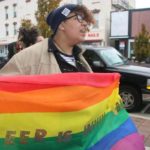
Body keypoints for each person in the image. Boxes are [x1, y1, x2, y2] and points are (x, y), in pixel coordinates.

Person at [0, 4, 95, 75]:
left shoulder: (80, 58)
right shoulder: (27, 58)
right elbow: (5, 90)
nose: (85, 24)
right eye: (79, 18)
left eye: (85, 20)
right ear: (61, 25)